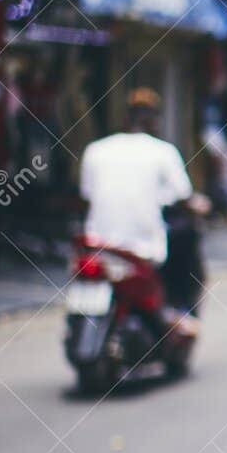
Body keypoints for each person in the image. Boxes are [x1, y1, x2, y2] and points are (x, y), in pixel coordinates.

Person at [80, 88, 206, 311]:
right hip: (144, 248)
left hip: (97, 245)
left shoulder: (95, 150)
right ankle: (181, 311)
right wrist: (200, 206)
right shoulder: (163, 152)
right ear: (154, 121)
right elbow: (184, 197)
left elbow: (86, 197)